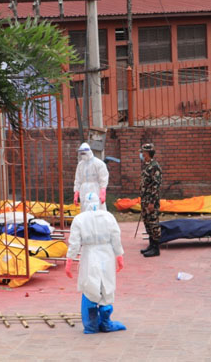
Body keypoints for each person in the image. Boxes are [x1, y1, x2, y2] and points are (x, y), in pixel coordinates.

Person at [65, 192, 126, 334]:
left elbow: (74, 242)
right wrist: (119, 256)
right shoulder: (108, 217)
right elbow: (116, 237)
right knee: (107, 286)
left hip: (89, 255)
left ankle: (91, 325)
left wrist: (70, 260)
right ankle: (106, 323)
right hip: (107, 254)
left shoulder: (79, 219)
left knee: (90, 286)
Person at [139, 142, 162, 258]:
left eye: (143, 152)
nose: (142, 154)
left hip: (151, 201)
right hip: (145, 200)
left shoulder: (154, 166)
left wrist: (152, 202)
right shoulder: (147, 165)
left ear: (148, 153)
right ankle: (151, 245)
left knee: (153, 223)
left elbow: (155, 186)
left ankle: (156, 248)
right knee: (147, 223)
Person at [73, 142, 109, 209]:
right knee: (84, 207)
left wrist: (103, 190)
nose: (83, 155)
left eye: (84, 153)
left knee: (97, 207)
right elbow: (78, 179)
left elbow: (103, 177)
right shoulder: (80, 165)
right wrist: (76, 192)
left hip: (95, 188)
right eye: (81, 153)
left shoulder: (98, 163)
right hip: (83, 189)